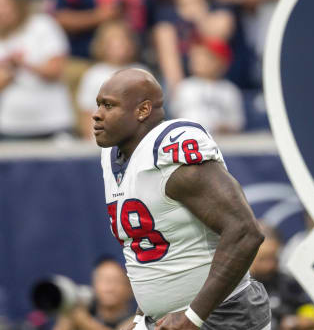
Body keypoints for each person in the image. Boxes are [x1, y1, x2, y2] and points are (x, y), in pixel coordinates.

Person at [92, 68, 270, 330]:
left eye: (109, 105)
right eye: (98, 104)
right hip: (169, 318)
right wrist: (144, 313)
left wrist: (193, 317)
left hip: (222, 315)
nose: (97, 114)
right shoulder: (113, 158)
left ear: (142, 111)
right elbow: (159, 251)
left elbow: (246, 232)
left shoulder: (170, 153)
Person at [0, 0, 75, 139]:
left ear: (17, 4)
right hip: (10, 125)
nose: (2, 11)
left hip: (53, 122)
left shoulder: (42, 25)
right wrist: (9, 70)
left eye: (5, 5)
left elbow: (56, 70)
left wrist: (24, 64)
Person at [76, 20, 143, 140]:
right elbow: (86, 111)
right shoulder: (94, 74)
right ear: (102, 45)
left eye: (122, 41)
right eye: (113, 43)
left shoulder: (141, 72)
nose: (118, 46)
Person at [250, 225, 314, 330]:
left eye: (273, 258)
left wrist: (298, 322)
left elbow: (309, 311)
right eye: (263, 259)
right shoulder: (239, 288)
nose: (270, 265)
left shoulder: (288, 283)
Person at [170, 36, 245, 134]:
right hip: (189, 139)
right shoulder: (185, 87)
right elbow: (175, 117)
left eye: (206, 57)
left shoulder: (230, 90)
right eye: (196, 56)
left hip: (221, 142)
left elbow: (237, 123)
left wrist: (224, 127)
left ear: (221, 63)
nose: (198, 61)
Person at [53, 258, 135, 330]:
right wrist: (66, 313)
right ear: (94, 284)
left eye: (116, 280)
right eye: (103, 280)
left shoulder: (137, 321)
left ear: (129, 288)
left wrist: (83, 321)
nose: (110, 287)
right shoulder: (82, 313)